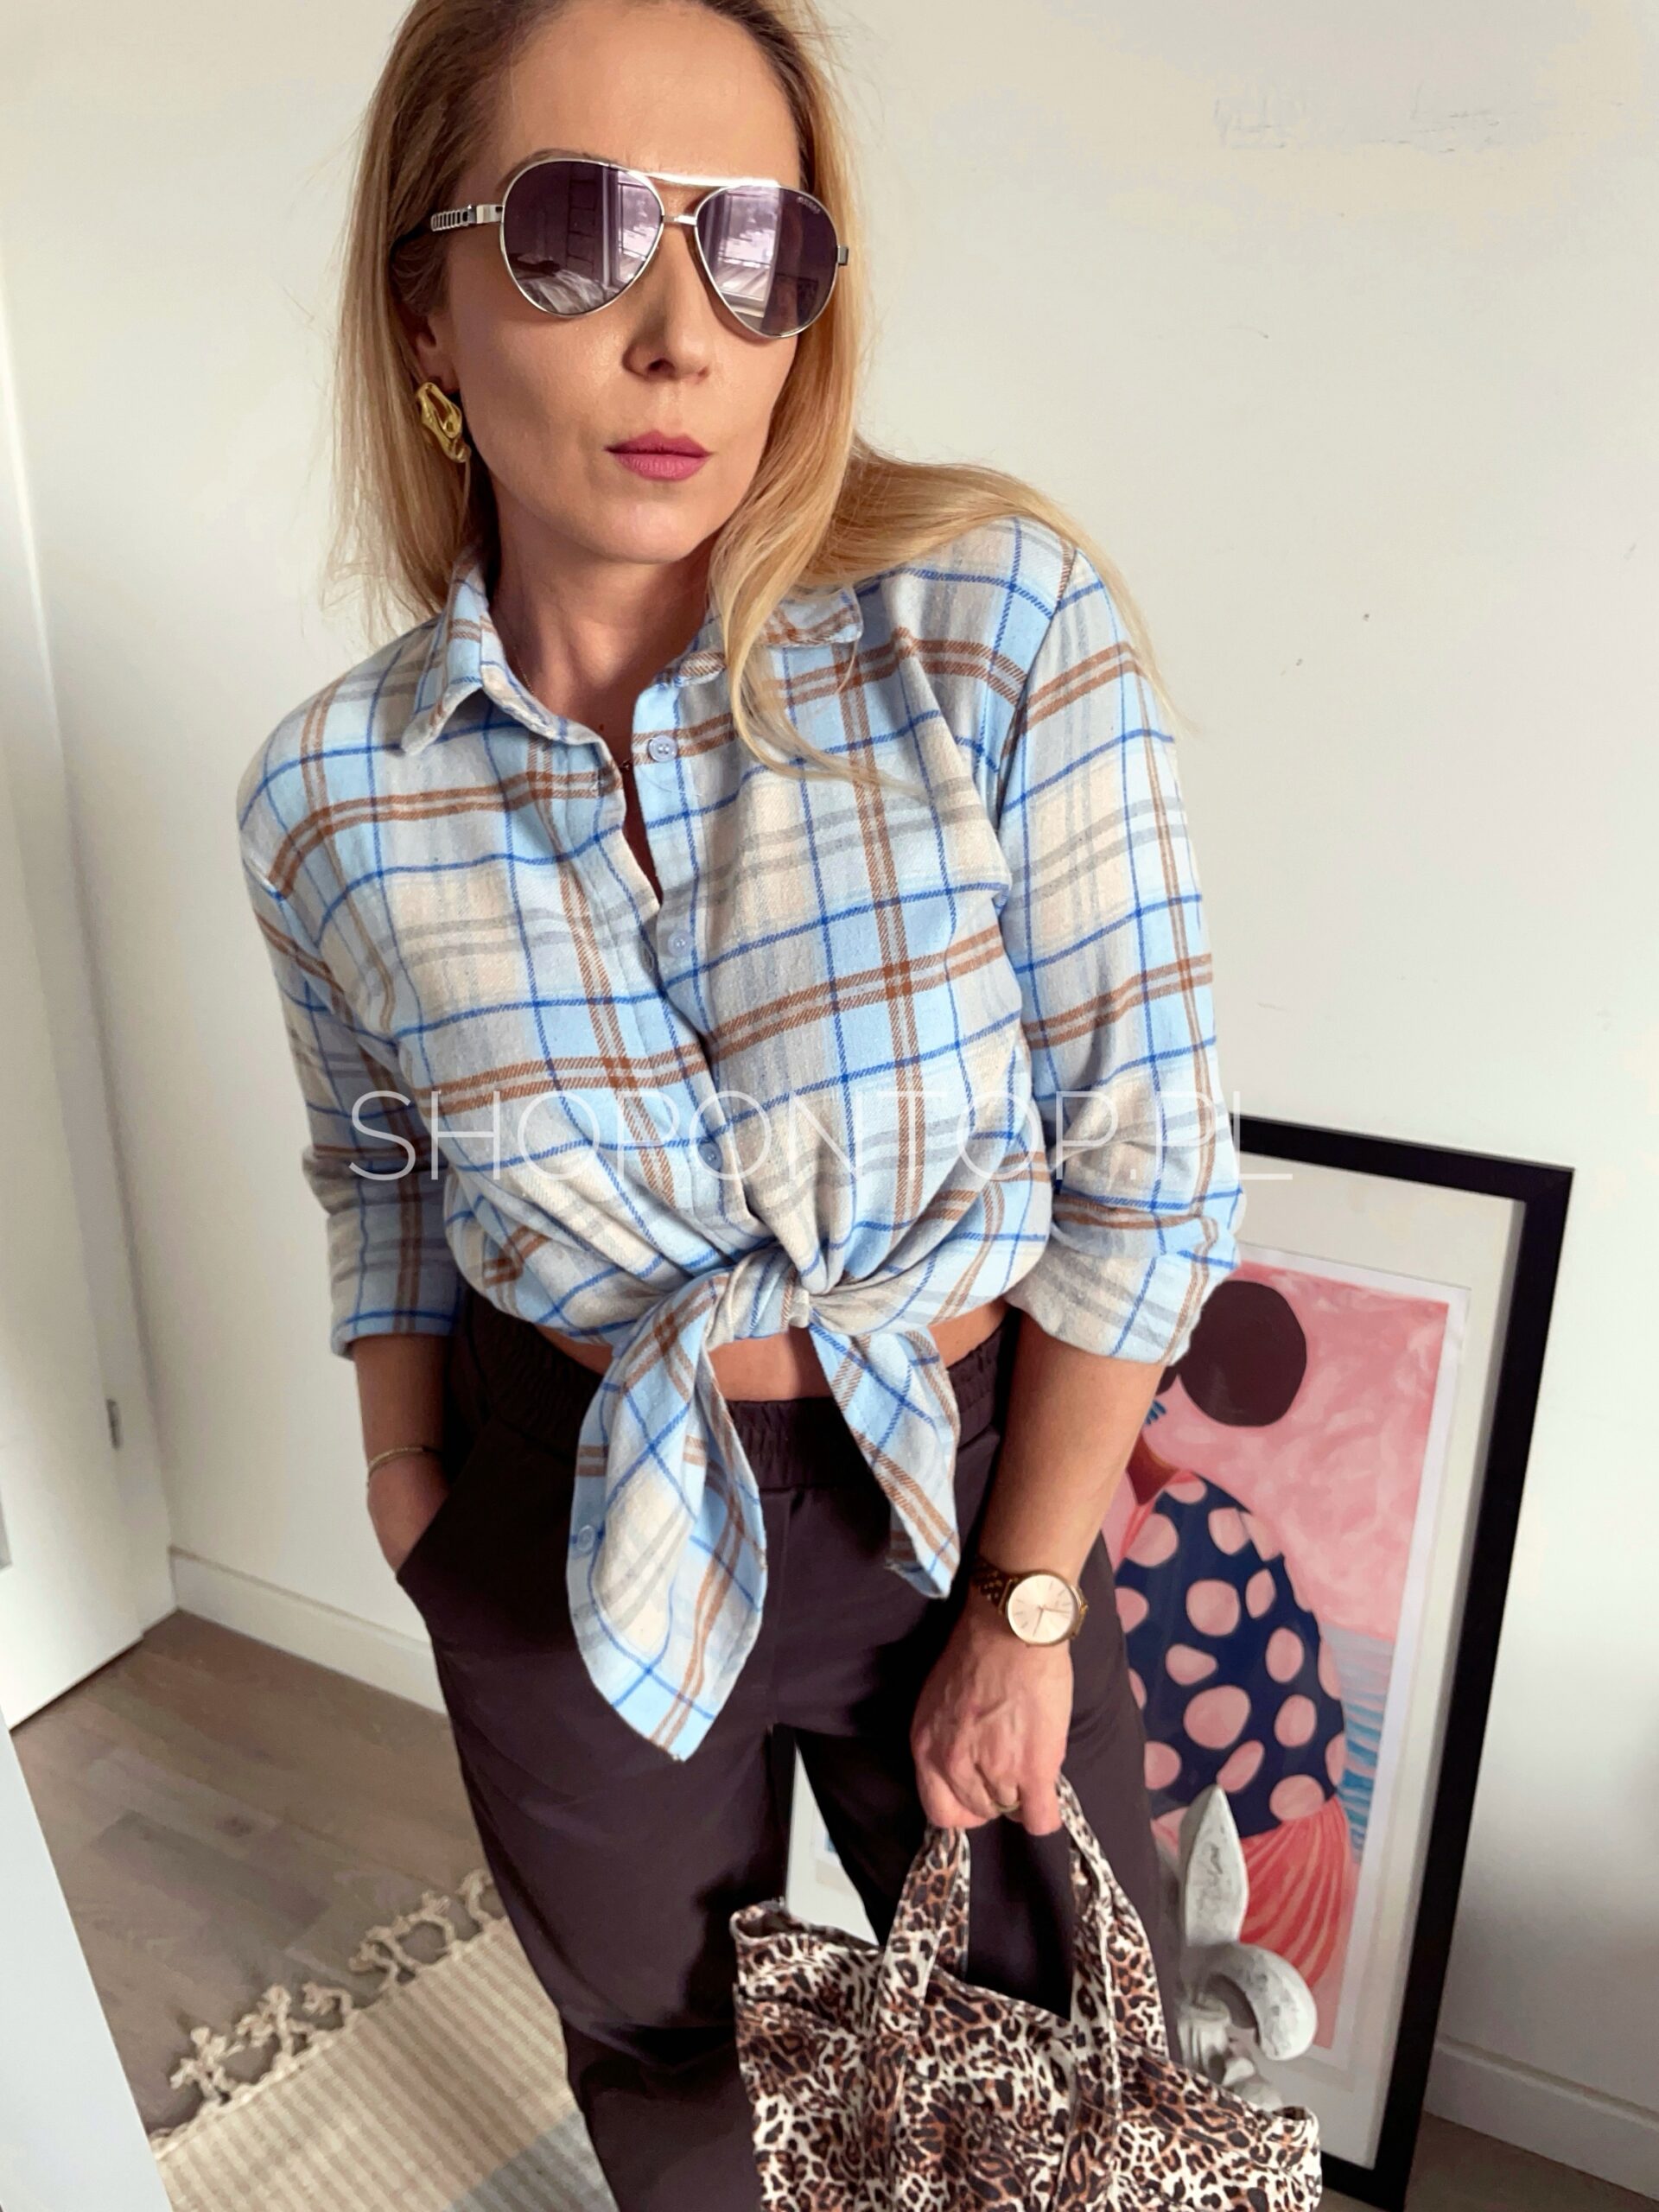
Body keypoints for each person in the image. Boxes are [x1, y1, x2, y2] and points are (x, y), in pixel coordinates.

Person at [234, 0, 1247, 2202]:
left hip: (955, 1493)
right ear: (424, 302)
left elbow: (1151, 1162)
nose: (684, 329)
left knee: (1064, 2062)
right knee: (662, 2050)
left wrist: (1029, 1595)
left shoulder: (988, 625)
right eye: (581, 229)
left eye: (757, 244)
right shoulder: (328, 793)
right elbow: (376, 1160)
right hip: (563, 1480)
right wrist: (416, 1484)